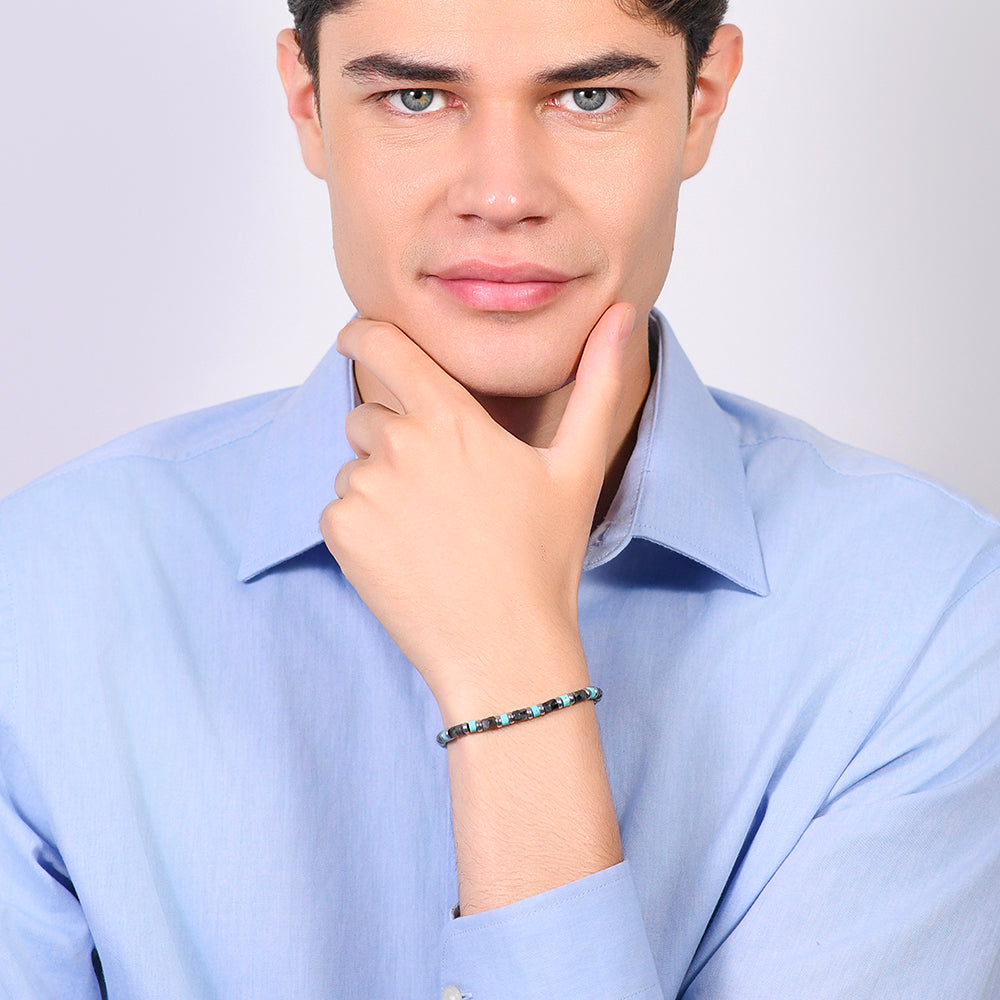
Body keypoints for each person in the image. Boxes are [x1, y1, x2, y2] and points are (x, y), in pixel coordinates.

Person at [1, 0, 997, 997]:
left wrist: (511, 675)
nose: (503, 193)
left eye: (589, 96)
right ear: (308, 104)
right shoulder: (40, 592)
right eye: (417, 96)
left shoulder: (933, 617)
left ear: (701, 101)